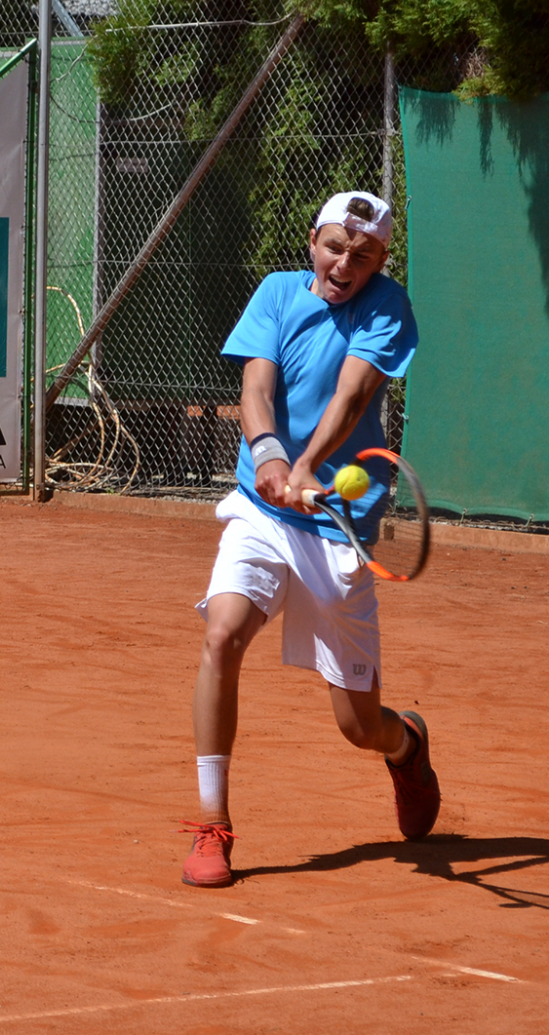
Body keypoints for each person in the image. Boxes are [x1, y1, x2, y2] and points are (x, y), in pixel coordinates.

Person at [181, 190, 440, 889]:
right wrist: (268, 456)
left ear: (382, 261)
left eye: (363, 255)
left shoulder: (387, 307)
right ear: (310, 241)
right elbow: (257, 388)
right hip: (262, 515)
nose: (344, 264)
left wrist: (303, 466)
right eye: (334, 247)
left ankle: (406, 745)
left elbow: (353, 395)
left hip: (336, 530)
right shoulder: (274, 294)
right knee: (222, 635)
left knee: (359, 726)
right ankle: (213, 825)